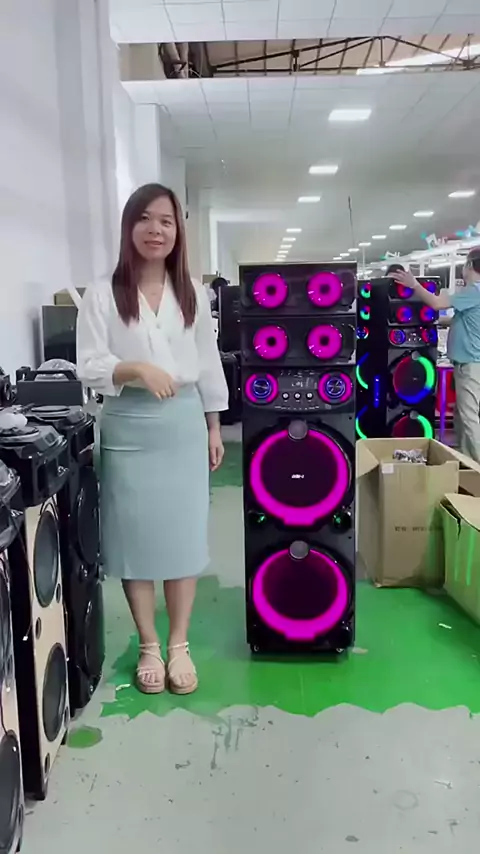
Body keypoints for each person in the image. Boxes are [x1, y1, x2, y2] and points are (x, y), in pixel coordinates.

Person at [76, 183, 229, 695]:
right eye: (145, 219)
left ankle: (179, 644)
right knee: (136, 539)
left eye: (166, 221)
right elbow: (88, 364)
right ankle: (148, 643)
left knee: (182, 538)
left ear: (178, 230)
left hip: (182, 423)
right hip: (128, 424)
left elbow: (207, 361)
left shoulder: (193, 292)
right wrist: (134, 368)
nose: (156, 230)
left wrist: (213, 425)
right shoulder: (103, 293)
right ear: (129, 226)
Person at [393, 248, 480, 463]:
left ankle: (477, 465)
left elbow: (438, 304)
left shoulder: (475, 290)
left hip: (470, 363)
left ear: (469, 265)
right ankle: (466, 463)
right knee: (462, 418)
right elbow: (461, 319)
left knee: (469, 419)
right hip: (469, 363)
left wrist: (414, 285)